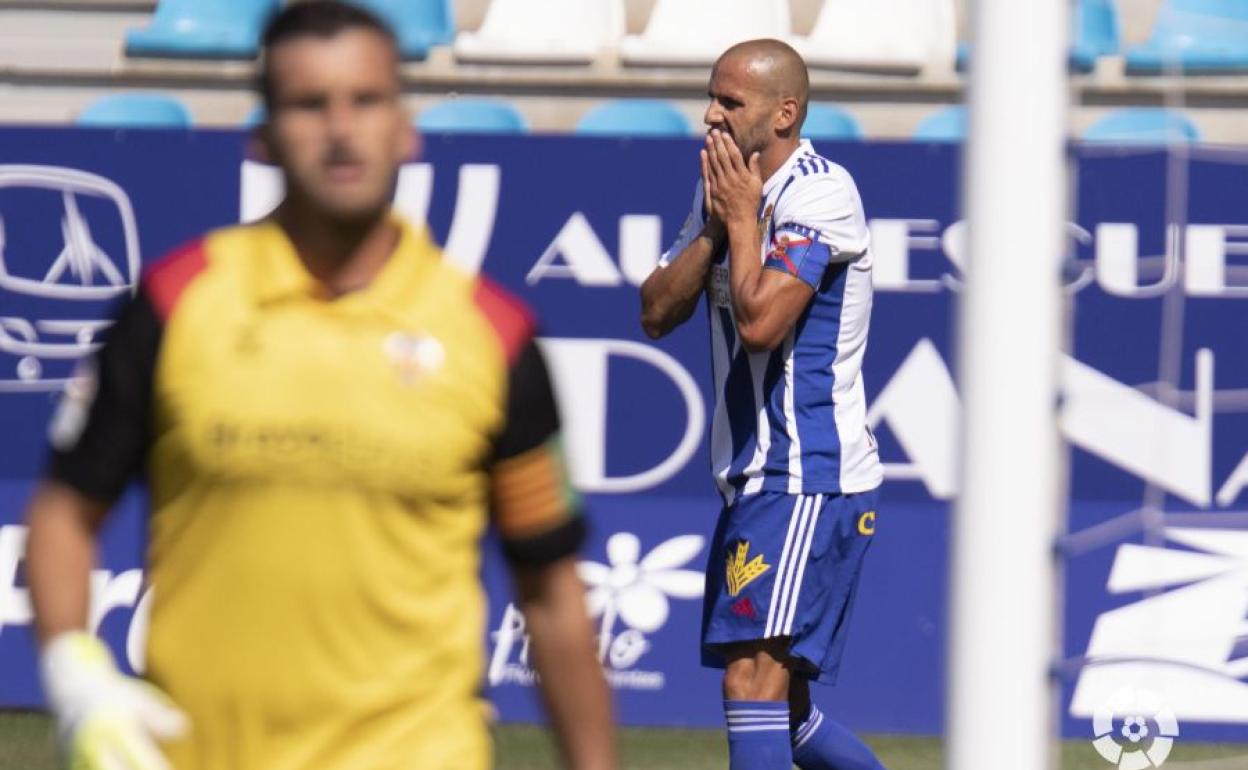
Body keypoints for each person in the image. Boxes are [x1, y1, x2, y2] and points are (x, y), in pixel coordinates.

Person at [25, 3, 615, 769]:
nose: (341, 130)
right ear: (263, 138)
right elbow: (66, 512)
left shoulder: (492, 332)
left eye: (365, 101)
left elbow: (550, 591)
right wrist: (76, 675)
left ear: (405, 127)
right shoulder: (174, 304)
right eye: (309, 105)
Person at [640, 39, 887, 770]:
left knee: (753, 682)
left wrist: (744, 222)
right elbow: (655, 312)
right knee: (788, 713)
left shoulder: (820, 193)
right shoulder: (724, 194)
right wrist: (718, 225)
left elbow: (759, 325)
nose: (709, 115)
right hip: (756, 479)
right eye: (711, 96)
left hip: (806, 474)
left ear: (784, 114)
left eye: (729, 102)